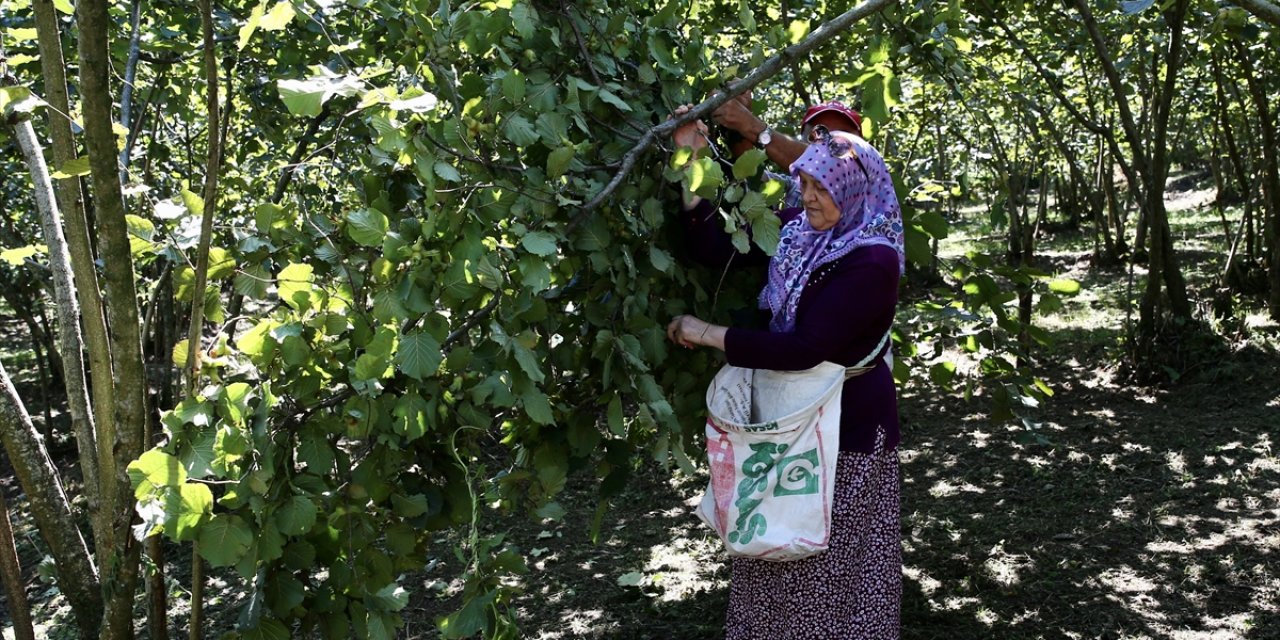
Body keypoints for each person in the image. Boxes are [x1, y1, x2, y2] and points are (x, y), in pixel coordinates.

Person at [666, 102, 904, 639]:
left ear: (853, 189)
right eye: (806, 185)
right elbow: (711, 243)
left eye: (822, 188)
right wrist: (691, 158)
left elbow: (805, 348)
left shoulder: (873, 260)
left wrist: (706, 334)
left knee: (830, 558)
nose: (808, 198)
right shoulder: (802, 231)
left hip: (848, 432)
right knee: (773, 542)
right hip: (788, 418)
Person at [711, 93, 865, 209]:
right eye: (819, 135)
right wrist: (735, 120)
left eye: (844, 134)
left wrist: (749, 123)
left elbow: (829, 168)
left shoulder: (870, 189)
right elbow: (751, 178)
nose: (830, 144)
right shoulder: (790, 190)